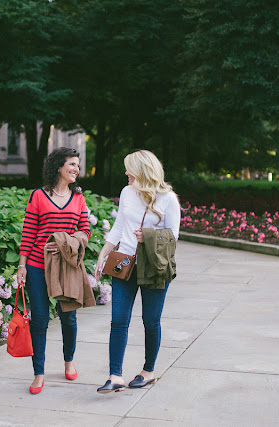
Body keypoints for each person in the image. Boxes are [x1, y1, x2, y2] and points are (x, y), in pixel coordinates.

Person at [94, 149, 180, 393]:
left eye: (129, 168)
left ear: (141, 171)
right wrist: (104, 252)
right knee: (118, 321)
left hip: (154, 267)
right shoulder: (126, 193)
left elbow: (173, 237)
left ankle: (148, 371)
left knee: (150, 321)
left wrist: (149, 236)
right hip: (125, 264)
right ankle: (115, 375)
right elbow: (119, 225)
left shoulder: (168, 199)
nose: (125, 173)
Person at [17, 147, 91, 394]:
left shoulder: (78, 199)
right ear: (59, 166)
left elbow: (85, 231)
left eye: (78, 166)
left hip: (67, 266)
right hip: (38, 266)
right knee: (39, 320)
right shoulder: (37, 196)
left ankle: (68, 361)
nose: (76, 169)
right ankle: (39, 373)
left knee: (68, 317)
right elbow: (28, 233)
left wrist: (68, 243)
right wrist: (22, 265)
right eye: (71, 164)